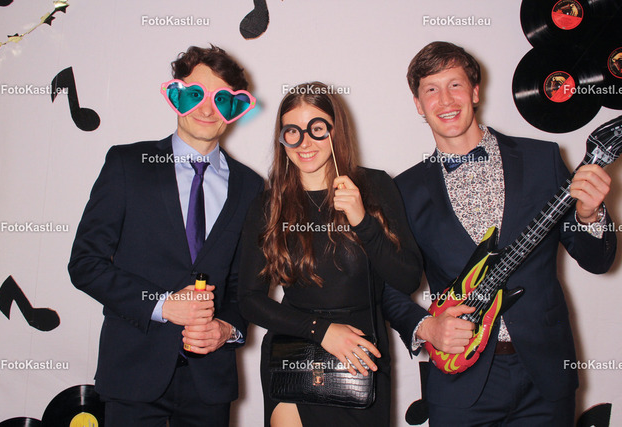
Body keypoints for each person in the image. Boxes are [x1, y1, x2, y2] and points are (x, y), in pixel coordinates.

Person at [383, 41, 617, 426]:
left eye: (455, 85)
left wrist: (590, 216)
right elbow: (388, 288)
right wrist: (427, 326)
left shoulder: (542, 159)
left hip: (545, 376)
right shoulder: (403, 191)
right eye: (431, 89)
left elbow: (597, 261)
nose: (446, 100)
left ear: (475, 92)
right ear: (418, 104)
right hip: (459, 384)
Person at [68, 45, 263, 426]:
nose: (207, 109)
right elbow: (85, 264)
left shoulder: (250, 186)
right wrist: (161, 304)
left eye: (221, 99)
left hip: (210, 385)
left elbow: (246, 286)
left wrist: (227, 329)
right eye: (196, 95)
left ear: (234, 108)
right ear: (176, 96)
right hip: (132, 376)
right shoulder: (127, 164)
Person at [238, 82, 423, 427]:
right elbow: (249, 299)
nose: (304, 142)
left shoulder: (375, 186)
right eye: (292, 132)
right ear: (282, 139)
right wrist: (321, 331)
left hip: (362, 358)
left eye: (317, 129)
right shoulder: (269, 204)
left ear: (336, 131)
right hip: (295, 354)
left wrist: (363, 221)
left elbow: (408, 278)